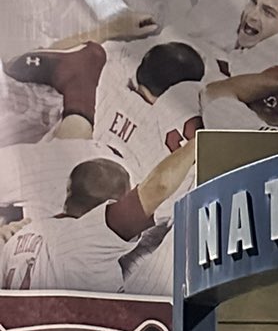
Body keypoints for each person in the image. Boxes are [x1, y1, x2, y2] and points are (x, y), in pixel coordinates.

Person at [3, 32, 203, 183]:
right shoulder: (172, 142)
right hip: (91, 208)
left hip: (41, 172)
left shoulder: (106, 71)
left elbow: (20, 64)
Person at [0, 140, 194, 291]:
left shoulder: (21, 236)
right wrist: (197, 142)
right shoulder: (88, 238)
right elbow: (159, 186)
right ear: (109, 205)